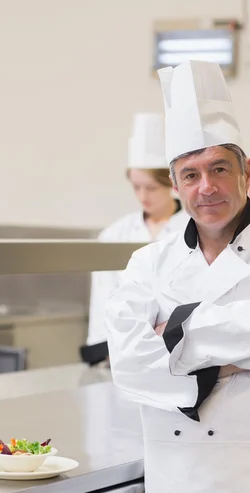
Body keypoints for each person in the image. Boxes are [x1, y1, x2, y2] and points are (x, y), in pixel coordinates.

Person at [106, 60, 250, 493]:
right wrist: (232, 358)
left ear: (246, 172)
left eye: (218, 169)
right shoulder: (149, 262)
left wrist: (175, 333)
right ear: (175, 183)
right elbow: (129, 360)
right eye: (190, 174)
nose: (206, 187)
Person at [81, 113, 188, 367]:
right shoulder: (115, 233)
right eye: (136, 187)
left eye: (150, 188)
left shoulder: (191, 228)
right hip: (121, 350)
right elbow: (102, 297)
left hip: (175, 348)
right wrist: (103, 348)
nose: (143, 196)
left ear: (170, 183)